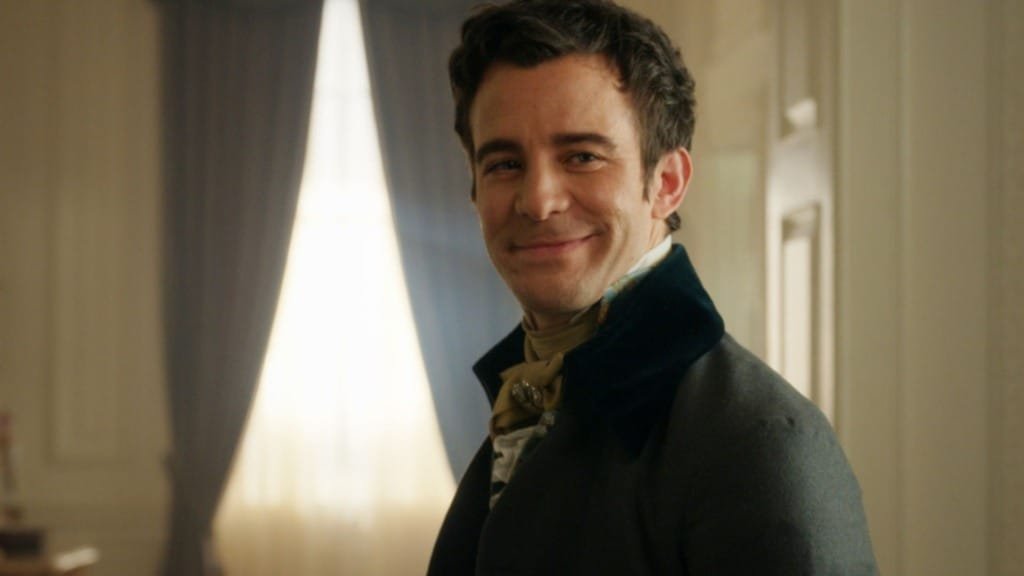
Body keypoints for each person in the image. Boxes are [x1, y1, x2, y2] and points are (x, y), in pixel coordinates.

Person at [428, 1, 877, 574]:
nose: (538, 201)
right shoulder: (533, 395)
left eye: (582, 156)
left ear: (666, 182)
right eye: (504, 164)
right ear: (474, 189)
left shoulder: (760, 442)